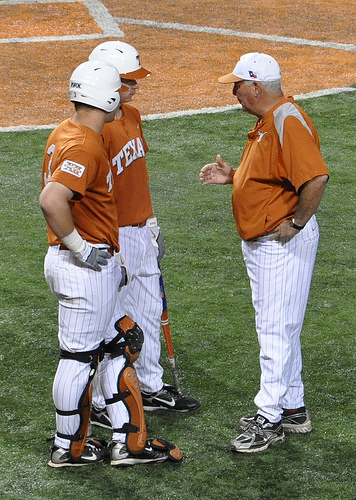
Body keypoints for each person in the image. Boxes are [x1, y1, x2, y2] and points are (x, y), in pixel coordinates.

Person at [40, 59, 183, 467]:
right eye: (119, 88)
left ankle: (127, 442)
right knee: (79, 357)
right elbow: (52, 200)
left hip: (87, 263)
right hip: (83, 265)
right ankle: (67, 448)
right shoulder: (85, 142)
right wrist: (82, 248)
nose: (125, 93)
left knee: (121, 341)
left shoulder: (65, 132)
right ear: (106, 95)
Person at [200, 52, 329, 454]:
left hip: (281, 244)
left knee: (275, 330)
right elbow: (273, 175)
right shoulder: (269, 120)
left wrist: (297, 223)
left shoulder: (286, 119)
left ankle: (269, 417)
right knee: (281, 327)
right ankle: (292, 407)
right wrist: (235, 177)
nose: (234, 91)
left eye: (237, 84)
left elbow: (316, 177)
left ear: (256, 86)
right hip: (266, 244)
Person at [86, 41, 200, 429]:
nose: (135, 87)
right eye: (128, 81)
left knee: (149, 311)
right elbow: (89, 192)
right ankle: (102, 399)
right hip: (110, 235)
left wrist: (151, 223)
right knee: (111, 319)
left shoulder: (132, 116)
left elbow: (136, 177)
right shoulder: (93, 132)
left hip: (139, 232)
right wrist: (104, 242)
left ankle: (149, 385)